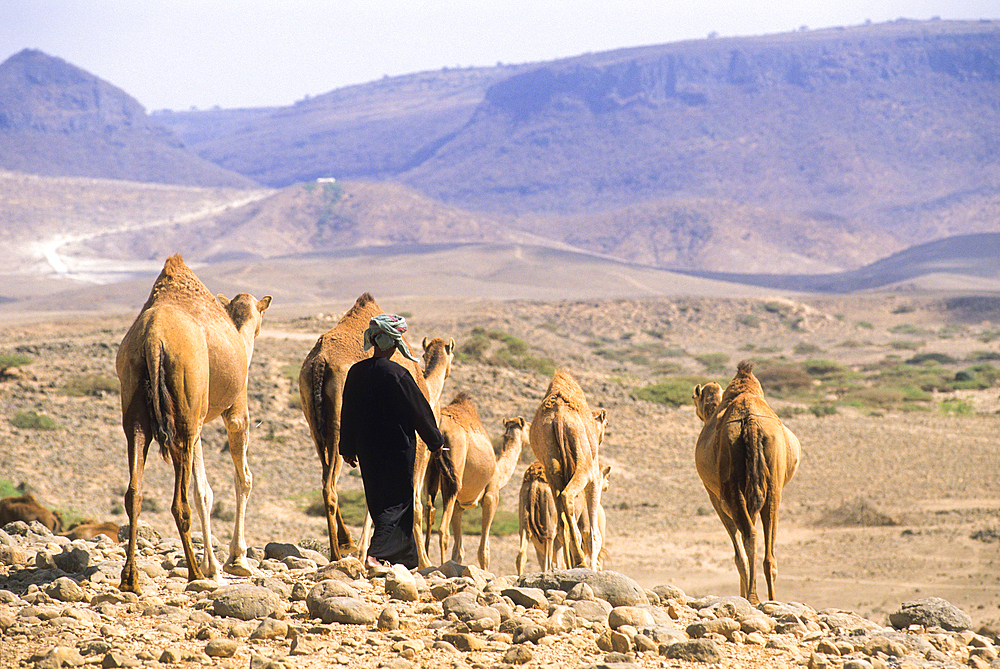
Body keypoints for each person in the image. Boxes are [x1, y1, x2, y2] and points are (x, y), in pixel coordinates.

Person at [340, 313, 446, 569]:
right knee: (398, 502)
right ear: (393, 343)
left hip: (367, 449)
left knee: (378, 501)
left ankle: (399, 560)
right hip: (397, 448)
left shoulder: (357, 372)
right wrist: (435, 442)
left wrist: (347, 447)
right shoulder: (398, 374)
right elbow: (419, 411)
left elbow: (348, 412)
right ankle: (375, 555)